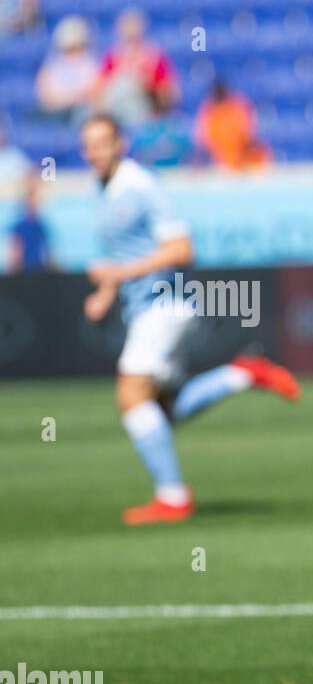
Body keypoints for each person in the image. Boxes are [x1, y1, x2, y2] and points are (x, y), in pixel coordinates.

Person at [80, 114, 300, 525]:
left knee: (130, 395)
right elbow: (124, 253)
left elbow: (182, 249)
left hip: (165, 305)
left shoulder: (141, 186)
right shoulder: (103, 189)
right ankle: (242, 374)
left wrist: (120, 276)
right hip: (146, 306)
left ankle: (173, 496)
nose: (95, 153)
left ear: (120, 143)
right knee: (163, 410)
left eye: (102, 143)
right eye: (88, 145)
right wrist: (106, 292)